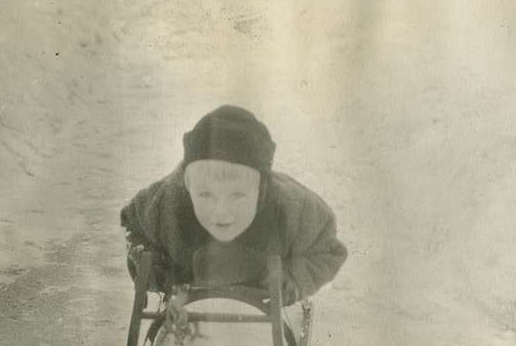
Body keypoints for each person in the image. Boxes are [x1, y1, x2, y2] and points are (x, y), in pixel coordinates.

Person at [120, 105, 347, 307]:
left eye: (237, 195)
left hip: (260, 298)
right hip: (190, 301)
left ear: (260, 191)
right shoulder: (167, 203)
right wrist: (153, 266)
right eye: (206, 195)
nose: (221, 211)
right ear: (188, 188)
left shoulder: (290, 209)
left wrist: (291, 279)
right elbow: (133, 225)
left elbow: (328, 251)